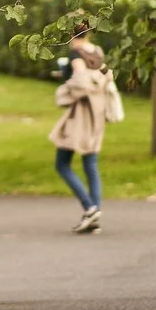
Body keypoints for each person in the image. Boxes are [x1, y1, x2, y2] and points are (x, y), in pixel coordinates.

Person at [50, 37, 115, 233]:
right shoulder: (97, 52)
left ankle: (90, 207)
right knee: (90, 163)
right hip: (97, 113)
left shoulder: (76, 55)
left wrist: (66, 85)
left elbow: (80, 80)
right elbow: (107, 75)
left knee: (62, 163)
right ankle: (94, 217)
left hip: (80, 116)